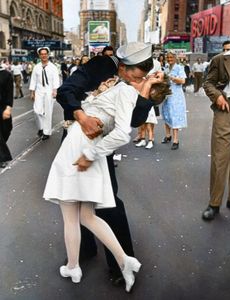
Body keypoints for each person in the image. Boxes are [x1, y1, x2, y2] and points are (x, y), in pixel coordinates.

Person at [43, 42, 168, 292]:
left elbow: (132, 121)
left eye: (141, 76)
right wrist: (82, 116)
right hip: (81, 137)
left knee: (107, 203)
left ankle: (119, 264)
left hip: (100, 145)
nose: (137, 79)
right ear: (121, 66)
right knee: (79, 205)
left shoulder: (143, 77)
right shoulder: (97, 66)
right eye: (134, 75)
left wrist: (145, 90)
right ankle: (82, 253)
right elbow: (66, 90)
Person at [202, 46, 230, 220]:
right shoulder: (221, 59)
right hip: (226, 109)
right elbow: (208, 83)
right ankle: (214, 204)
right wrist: (217, 96)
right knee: (220, 159)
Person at [29, 47, 60, 140]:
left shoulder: (53, 67)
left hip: (49, 92)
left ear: (48, 55)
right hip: (39, 91)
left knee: (48, 112)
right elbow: (33, 80)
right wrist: (32, 92)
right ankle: (41, 128)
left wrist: (55, 90)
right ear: (39, 55)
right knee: (36, 111)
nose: (44, 55)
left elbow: (56, 80)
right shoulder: (36, 67)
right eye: (42, 54)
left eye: (45, 54)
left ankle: (46, 132)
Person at [161, 50, 187, 150]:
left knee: (174, 116)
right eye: (168, 58)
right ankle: (168, 136)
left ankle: (176, 140)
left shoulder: (179, 67)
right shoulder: (166, 67)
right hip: (167, 94)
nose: (169, 59)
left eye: (171, 58)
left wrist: (172, 78)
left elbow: (183, 81)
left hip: (176, 95)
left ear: (175, 58)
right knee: (167, 114)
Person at [0, 65, 14, 168]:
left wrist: (8, 108)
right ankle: (3, 157)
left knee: (6, 129)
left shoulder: (6, 75)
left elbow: (9, 93)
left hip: (3, 107)